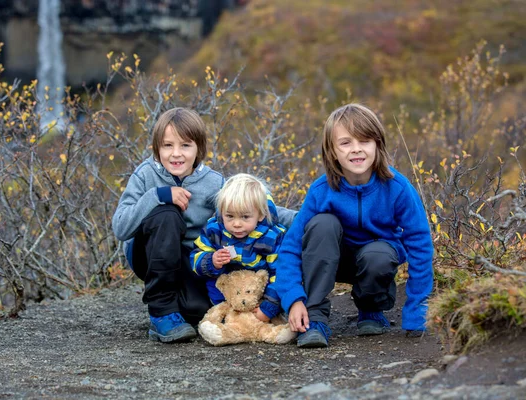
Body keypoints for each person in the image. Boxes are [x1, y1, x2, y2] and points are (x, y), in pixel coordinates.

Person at [274, 103, 434, 348]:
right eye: (346, 142)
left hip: (375, 262)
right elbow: (291, 247)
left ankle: (371, 309)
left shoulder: (398, 188)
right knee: (322, 224)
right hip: (331, 260)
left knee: (379, 253)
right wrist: (293, 299)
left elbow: (420, 246)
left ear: (377, 144)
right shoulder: (321, 191)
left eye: (365, 141)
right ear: (332, 151)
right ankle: (314, 318)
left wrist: (416, 310)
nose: (356, 150)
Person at [112, 107, 224, 343]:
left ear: (199, 149)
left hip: (190, 260)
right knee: (167, 214)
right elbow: (121, 228)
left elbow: (247, 209)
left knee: (197, 312)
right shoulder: (145, 175)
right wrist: (157, 195)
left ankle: (178, 308)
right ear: (156, 148)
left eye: (185, 145)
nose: (176, 154)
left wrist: (299, 218)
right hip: (149, 254)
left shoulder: (214, 183)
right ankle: (161, 310)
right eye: (167, 145)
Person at [190, 173, 289, 323]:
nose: (236, 224)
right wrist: (212, 261)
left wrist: (268, 307)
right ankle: (224, 314)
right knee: (213, 283)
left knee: (275, 283)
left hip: (259, 292)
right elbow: (196, 255)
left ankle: (267, 316)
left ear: (260, 215)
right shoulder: (214, 230)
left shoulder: (271, 237)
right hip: (227, 291)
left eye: (245, 217)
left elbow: (280, 273)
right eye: (229, 216)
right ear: (221, 212)